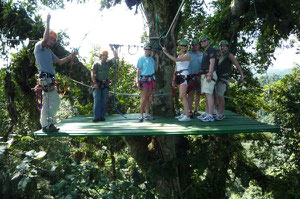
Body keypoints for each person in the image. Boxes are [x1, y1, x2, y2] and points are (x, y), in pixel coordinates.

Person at [34, 13, 77, 132]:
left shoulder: (48, 51)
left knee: (47, 102)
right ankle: (47, 124)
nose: (52, 42)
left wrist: (71, 56)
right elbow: (45, 38)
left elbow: (59, 62)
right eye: (52, 39)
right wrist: (47, 22)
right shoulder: (39, 47)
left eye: (54, 40)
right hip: (46, 79)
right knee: (55, 101)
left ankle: (46, 124)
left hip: (48, 79)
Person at [163, 39, 191, 122]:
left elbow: (176, 60)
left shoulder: (187, 55)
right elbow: (176, 67)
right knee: (181, 96)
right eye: (181, 46)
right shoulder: (179, 55)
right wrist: (173, 79)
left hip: (184, 75)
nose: (183, 47)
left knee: (183, 96)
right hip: (178, 76)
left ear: (187, 47)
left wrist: (166, 53)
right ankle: (185, 113)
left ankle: (187, 115)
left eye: (185, 46)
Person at [215, 40, 244, 120]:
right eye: (221, 46)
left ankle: (221, 113)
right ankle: (217, 111)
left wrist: (241, 75)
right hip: (218, 78)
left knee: (220, 95)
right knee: (217, 96)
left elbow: (237, 64)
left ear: (227, 47)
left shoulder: (229, 55)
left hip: (224, 78)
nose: (222, 47)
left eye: (224, 46)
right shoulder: (220, 55)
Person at [91, 45, 118, 122]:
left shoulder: (108, 63)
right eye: (103, 55)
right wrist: (94, 82)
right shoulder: (96, 64)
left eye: (106, 56)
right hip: (97, 83)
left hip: (105, 84)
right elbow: (92, 73)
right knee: (97, 100)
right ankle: (96, 117)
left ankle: (102, 116)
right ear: (101, 56)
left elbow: (116, 57)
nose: (105, 57)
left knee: (103, 101)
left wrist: (113, 49)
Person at [135, 43, 159, 122]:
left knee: (148, 97)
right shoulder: (141, 59)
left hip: (151, 79)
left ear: (151, 50)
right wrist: (137, 82)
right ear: (144, 49)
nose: (147, 51)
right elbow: (138, 71)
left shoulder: (152, 59)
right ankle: (141, 115)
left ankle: (147, 114)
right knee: (144, 97)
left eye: (149, 49)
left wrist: (157, 59)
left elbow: (155, 69)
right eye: (146, 49)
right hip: (144, 79)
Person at [197, 34, 217, 122]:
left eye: (204, 40)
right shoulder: (206, 51)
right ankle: (207, 112)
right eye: (201, 41)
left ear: (208, 41)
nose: (202, 42)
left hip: (209, 74)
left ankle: (210, 115)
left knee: (209, 94)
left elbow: (212, 62)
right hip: (205, 74)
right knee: (207, 94)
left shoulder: (211, 50)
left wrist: (210, 73)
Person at [187, 38, 203, 118]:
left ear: (199, 45)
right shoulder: (188, 54)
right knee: (190, 93)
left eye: (196, 44)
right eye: (192, 45)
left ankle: (196, 110)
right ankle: (189, 110)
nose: (194, 46)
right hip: (190, 76)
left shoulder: (202, 55)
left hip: (199, 76)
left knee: (198, 93)